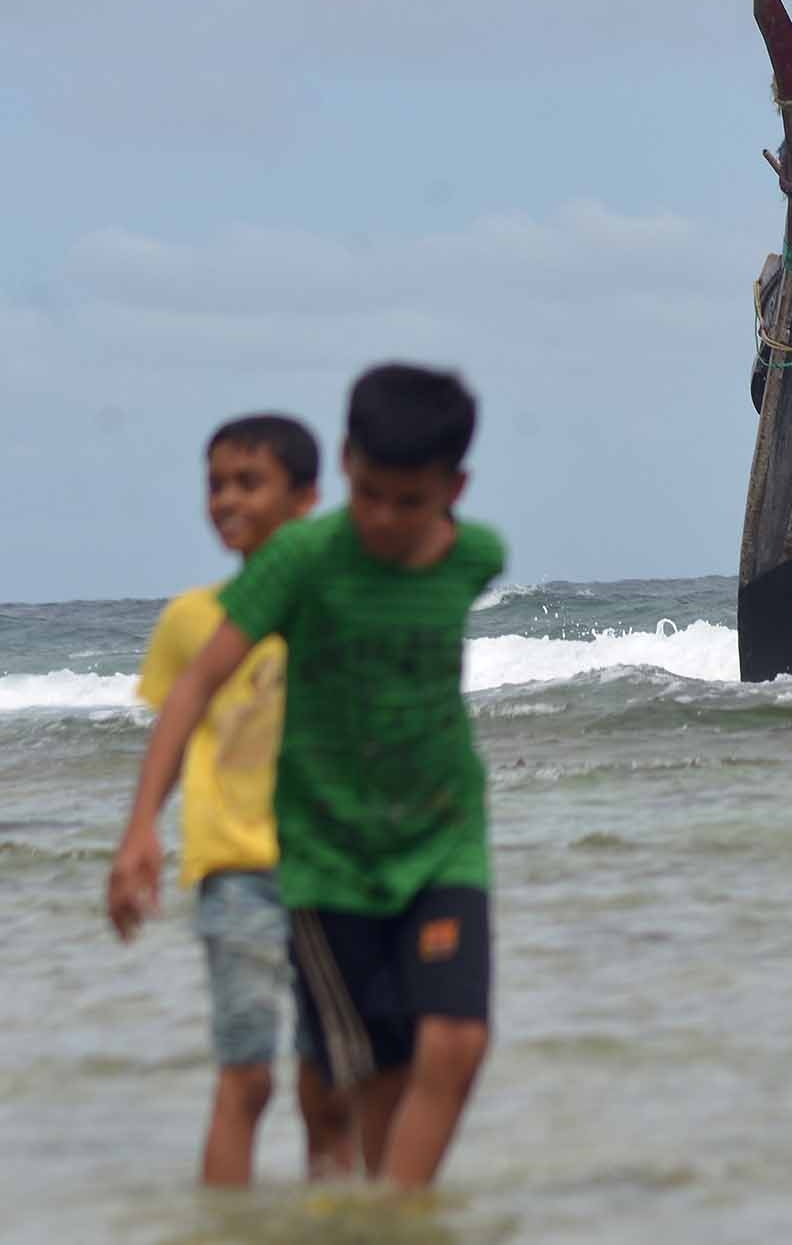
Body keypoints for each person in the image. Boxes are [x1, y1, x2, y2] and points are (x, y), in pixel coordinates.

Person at [110, 365, 506, 1190]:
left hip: (443, 840)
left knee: (460, 1038)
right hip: (327, 863)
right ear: (347, 465)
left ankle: (396, 1217)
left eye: (411, 501)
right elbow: (195, 685)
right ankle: (387, 1216)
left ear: (452, 488)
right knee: (374, 1077)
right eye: (369, 495)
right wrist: (142, 825)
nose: (386, 520)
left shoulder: (474, 555)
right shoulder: (301, 558)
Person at [127, 414, 355, 1186]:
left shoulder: (339, 604)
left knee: (330, 1087)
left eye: (247, 482)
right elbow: (174, 722)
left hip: (332, 871)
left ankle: (338, 1226)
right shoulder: (192, 619)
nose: (226, 499)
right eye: (215, 483)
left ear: (305, 498)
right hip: (236, 872)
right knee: (247, 1077)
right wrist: (140, 835)